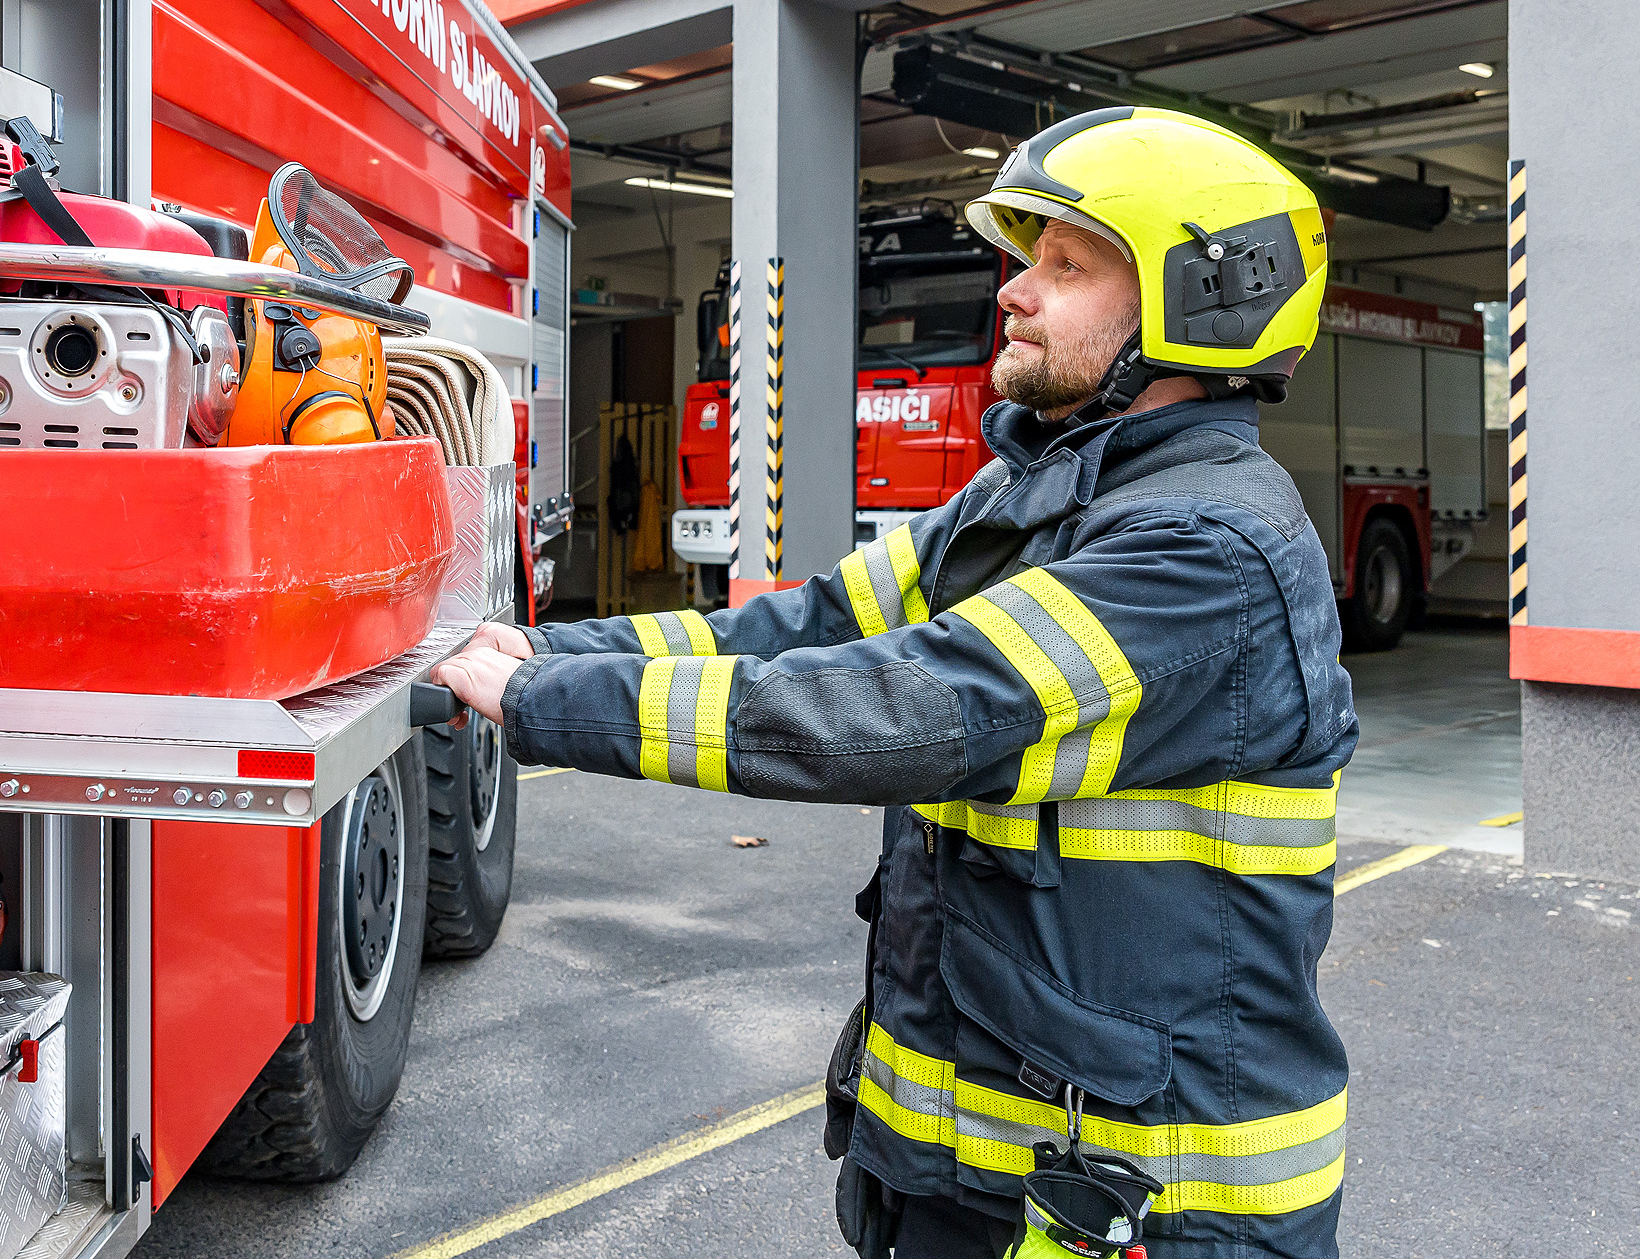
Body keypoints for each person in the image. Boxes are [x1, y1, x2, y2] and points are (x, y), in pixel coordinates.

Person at [434, 108, 1356, 1259]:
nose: (1012, 291)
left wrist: (544, 707)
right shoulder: (1023, 500)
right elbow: (805, 627)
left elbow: (901, 711)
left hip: (1151, 1208)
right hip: (974, 1169)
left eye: (1064, 266)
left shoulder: (1203, 550)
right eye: (1023, 259)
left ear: (1201, 303)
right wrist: (539, 652)